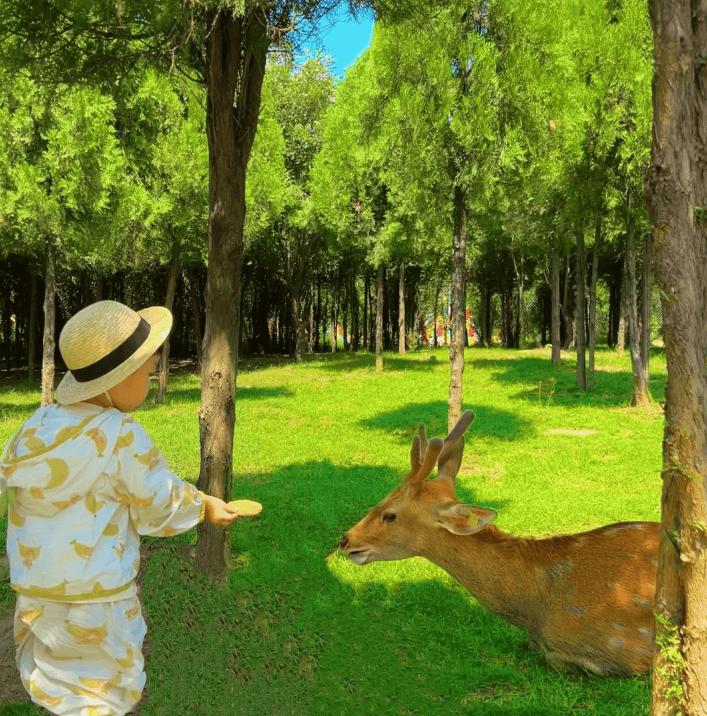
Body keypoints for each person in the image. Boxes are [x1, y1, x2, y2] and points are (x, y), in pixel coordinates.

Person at [0, 300, 242, 716]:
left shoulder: (35, 428)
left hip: (36, 594)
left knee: (58, 685)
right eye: (147, 372)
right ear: (119, 379)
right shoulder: (120, 435)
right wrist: (204, 507)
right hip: (99, 599)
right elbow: (157, 501)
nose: (151, 378)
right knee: (104, 692)